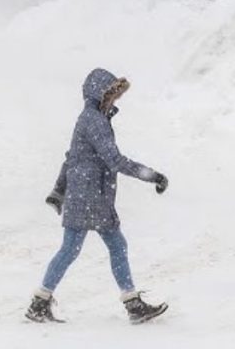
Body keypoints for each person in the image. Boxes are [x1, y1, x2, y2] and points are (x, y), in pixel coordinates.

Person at [26, 68, 169, 325]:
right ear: (99, 94)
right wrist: (152, 175)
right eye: (112, 94)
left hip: (86, 196)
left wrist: (59, 191)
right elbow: (114, 160)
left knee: (73, 249)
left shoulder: (88, 118)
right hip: (93, 197)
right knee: (111, 246)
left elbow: (72, 158)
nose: (115, 99)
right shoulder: (95, 121)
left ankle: (40, 302)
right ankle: (132, 304)